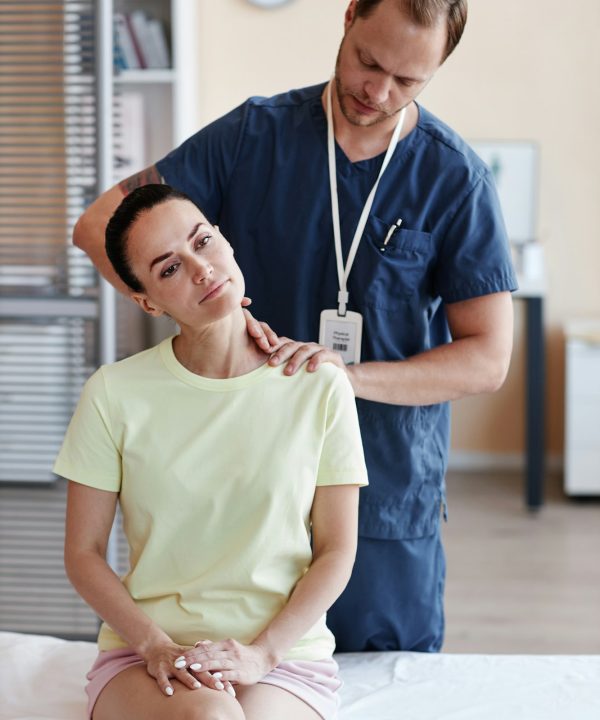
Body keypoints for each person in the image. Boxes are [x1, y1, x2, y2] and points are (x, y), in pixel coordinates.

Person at [73, 0, 517, 653]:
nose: (378, 90)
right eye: (369, 62)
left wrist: (347, 375)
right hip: (243, 484)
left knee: (384, 680)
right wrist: (194, 315)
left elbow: (486, 360)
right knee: (238, 676)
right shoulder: (255, 135)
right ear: (347, 20)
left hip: (381, 486)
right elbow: (97, 228)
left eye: (407, 80)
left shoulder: (454, 178)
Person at [57, 184, 368, 720]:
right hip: (146, 655)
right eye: (169, 268)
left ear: (225, 241)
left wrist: (262, 654)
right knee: (212, 716)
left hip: (283, 655)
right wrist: (154, 645)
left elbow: (337, 551)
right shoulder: (114, 392)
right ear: (147, 301)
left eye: (203, 242)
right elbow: (83, 554)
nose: (201, 268)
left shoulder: (318, 385)